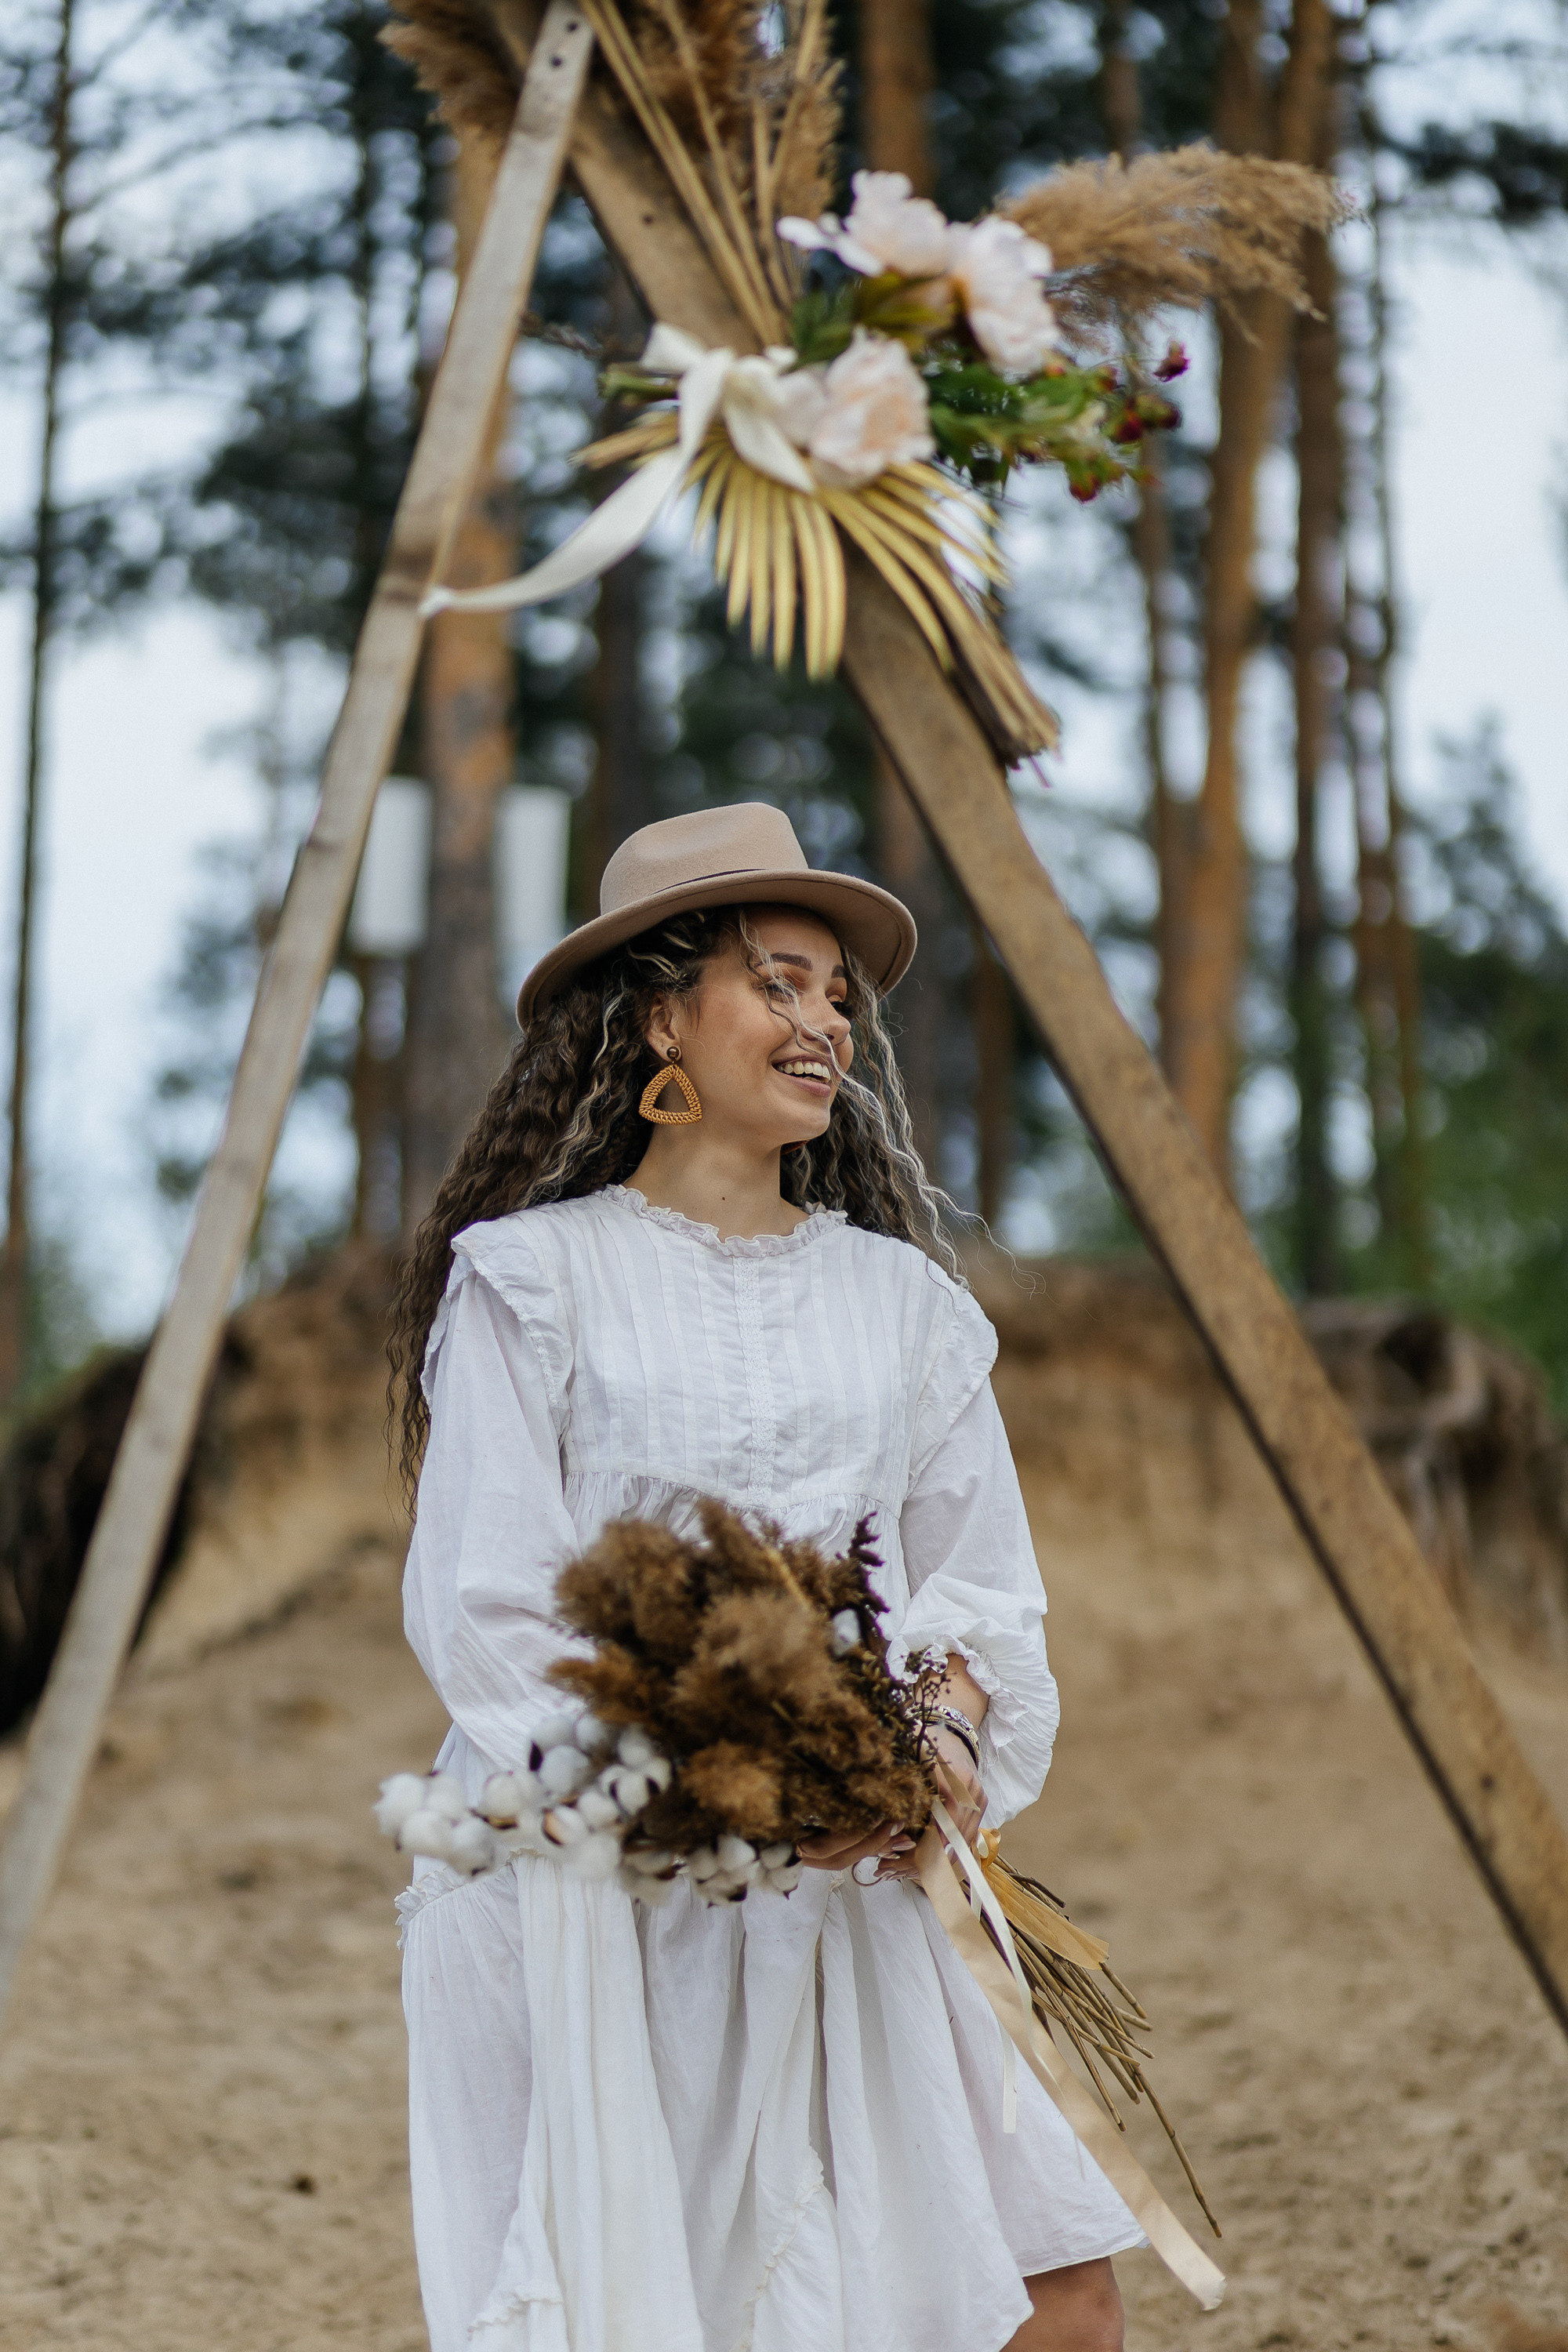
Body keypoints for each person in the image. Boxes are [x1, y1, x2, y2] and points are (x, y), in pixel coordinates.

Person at [389, 804, 1141, 2352]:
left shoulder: (903, 1309)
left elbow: (979, 1590)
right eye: (777, 985)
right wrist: (717, 1782)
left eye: (836, 999)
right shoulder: (532, 1281)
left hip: (863, 1884)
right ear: (661, 1017)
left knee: (1052, 2297)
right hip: (612, 1883)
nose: (823, 1024)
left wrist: (922, 1745)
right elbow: (490, 1602)